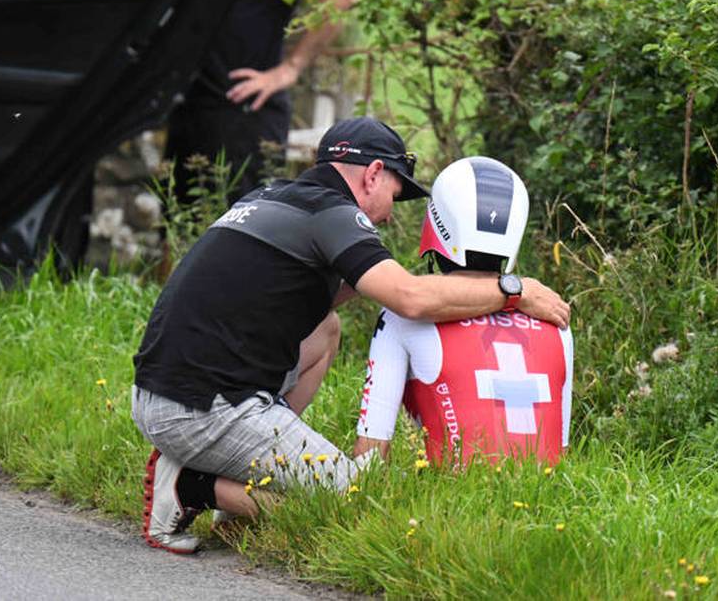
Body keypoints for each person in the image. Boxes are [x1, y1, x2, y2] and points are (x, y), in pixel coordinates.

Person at [131, 118, 571, 554]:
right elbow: (410, 298)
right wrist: (514, 290)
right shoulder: (333, 215)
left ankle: (234, 488)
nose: (391, 212)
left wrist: (450, 293)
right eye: (396, 195)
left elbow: (355, 292)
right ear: (374, 173)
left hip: (167, 391)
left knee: (325, 329)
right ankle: (192, 485)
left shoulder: (274, 197)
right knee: (353, 503)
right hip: (200, 410)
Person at [353, 157, 573, 466]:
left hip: (453, 503)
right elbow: (559, 451)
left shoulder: (400, 317)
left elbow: (371, 457)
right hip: (550, 501)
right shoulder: (553, 316)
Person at [165, 0, 354, 205]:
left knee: (239, 234)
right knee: (178, 232)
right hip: (189, 105)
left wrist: (291, 67)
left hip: (245, 114)